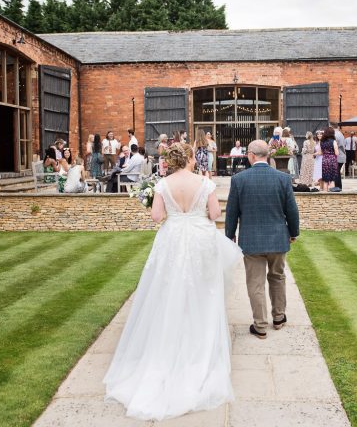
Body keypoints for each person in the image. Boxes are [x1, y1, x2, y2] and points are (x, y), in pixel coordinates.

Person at [104, 143, 242, 421]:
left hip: (172, 238)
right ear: (190, 158)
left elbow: (157, 217)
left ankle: (169, 337)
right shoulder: (204, 183)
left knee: (168, 287)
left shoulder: (162, 184)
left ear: (171, 160)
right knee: (203, 291)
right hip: (201, 238)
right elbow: (215, 215)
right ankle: (198, 341)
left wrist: (169, 210)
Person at [225, 140, 300, 340]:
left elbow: (232, 212)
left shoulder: (239, 179)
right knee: (278, 277)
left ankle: (260, 325)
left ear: (250, 155)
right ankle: (278, 317)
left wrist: (229, 235)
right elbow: (291, 210)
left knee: (255, 283)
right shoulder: (283, 179)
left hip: (251, 240)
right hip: (277, 238)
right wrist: (294, 232)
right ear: (268, 155)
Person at [320, 127, 339, 192]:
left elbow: (321, 152)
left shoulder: (322, 142)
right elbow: (337, 153)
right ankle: (332, 196)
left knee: (325, 179)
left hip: (324, 160)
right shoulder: (333, 141)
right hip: (332, 160)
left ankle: (325, 194)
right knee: (332, 179)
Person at [333, 123, 346, 190]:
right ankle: (338, 186)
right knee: (336, 172)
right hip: (341, 155)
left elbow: (335, 145)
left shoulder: (335, 134)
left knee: (336, 172)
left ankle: (338, 187)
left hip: (338, 156)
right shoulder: (340, 133)